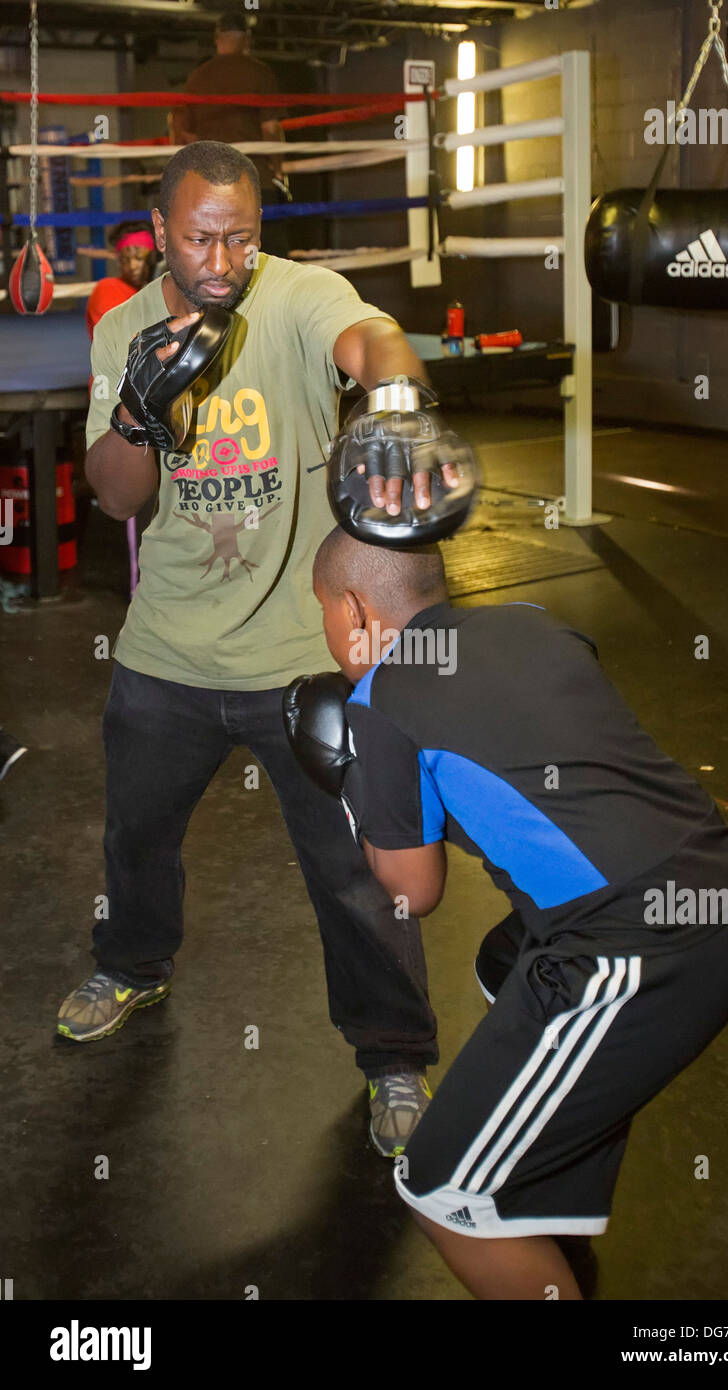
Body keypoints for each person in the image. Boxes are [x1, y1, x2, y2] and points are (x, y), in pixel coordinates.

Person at [56, 139, 466, 1158]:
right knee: (136, 842)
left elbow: (373, 339)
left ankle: (392, 1056)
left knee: (355, 869)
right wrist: (139, 415)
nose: (222, 258)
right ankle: (131, 964)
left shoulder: (297, 298)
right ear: (161, 233)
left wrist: (401, 404)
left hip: (302, 654)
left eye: (240, 236)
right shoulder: (122, 328)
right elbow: (115, 494)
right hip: (167, 650)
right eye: (201, 237)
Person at [299, 527, 728, 1298]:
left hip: (639, 947)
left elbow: (415, 891)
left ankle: (506, 1193)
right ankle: (542, 1190)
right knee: (500, 965)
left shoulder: (381, 702)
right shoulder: (534, 621)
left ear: (352, 610)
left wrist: (356, 789)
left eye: (321, 613)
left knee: (445, 1192)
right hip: (712, 876)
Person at [169, 10, 291, 258]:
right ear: (248, 39)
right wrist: (278, 170)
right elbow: (270, 128)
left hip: (211, 186)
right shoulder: (260, 72)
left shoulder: (198, 77)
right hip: (255, 179)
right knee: (271, 258)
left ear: (217, 38)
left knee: (220, 258)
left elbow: (185, 134)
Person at [84, 221, 159, 595]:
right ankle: (138, 591)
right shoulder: (107, 292)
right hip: (120, 408)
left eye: (140, 254)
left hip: (162, 406)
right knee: (136, 512)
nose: (133, 263)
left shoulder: (164, 287)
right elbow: (135, 349)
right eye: (126, 255)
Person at [85, 221, 158, 340]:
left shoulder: (160, 289)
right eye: (125, 260)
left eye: (139, 259)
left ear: (151, 259)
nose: (132, 266)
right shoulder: (108, 289)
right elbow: (116, 343)